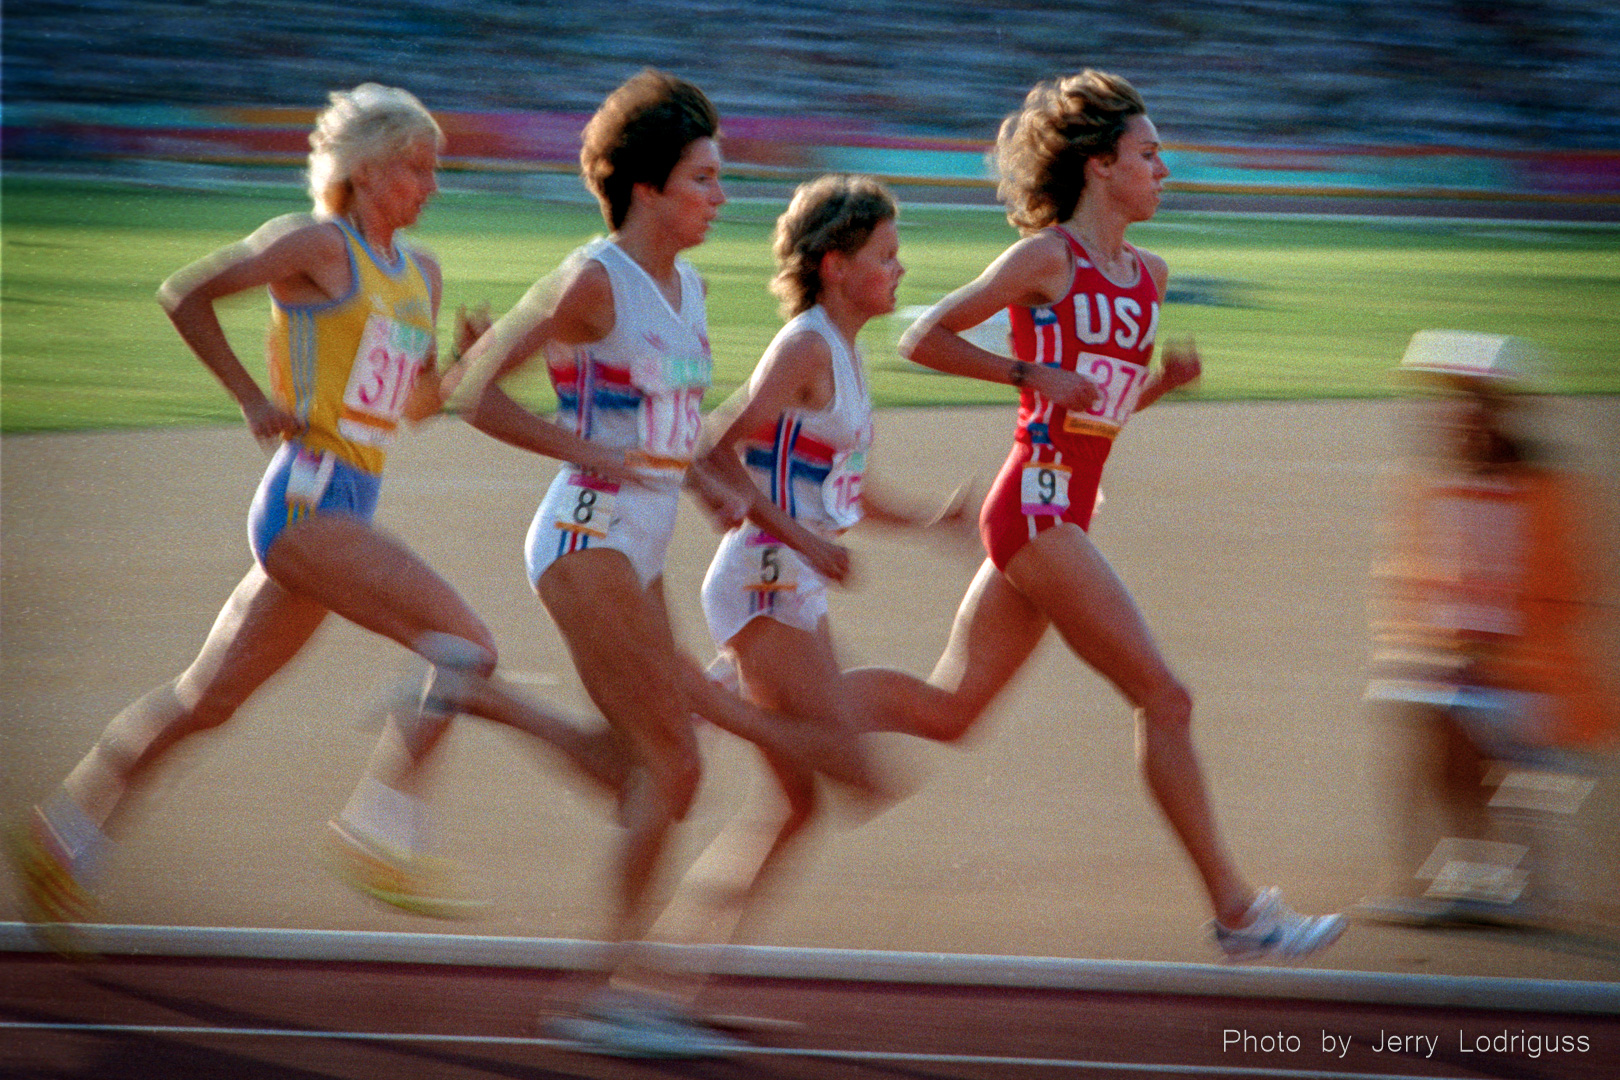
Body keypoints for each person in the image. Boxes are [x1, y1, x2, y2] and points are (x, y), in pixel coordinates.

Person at [9, 84, 626, 941]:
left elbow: (408, 409)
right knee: (466, 647)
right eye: (418, 168)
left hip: (346, 504)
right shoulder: (314, 246)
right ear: (366, 172)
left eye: (434, 169)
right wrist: (251, 399)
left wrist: (457, 366)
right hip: (305, 502)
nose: (433, 185)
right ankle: (382, 829)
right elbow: (185, 294)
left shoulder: (422, 273)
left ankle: (62, 835)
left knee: (208, 699)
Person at [845, 69, 1346, 961]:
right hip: (1033, 508)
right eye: (1150, 154)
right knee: (1166, 698)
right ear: (1100, 167)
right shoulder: (1048, 259)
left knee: (953, 711)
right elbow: (920, 336)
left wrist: (1158, 386)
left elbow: (1098, 411)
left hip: (1065, 507)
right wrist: (1025, 375)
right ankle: (1238, 912)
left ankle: (768, 691)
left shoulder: (1148, 276)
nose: (1165, 170)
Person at [436, 70, 887, 1054]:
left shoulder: (691, 289)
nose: (722, 197)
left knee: (631, 770)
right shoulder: (593, 277)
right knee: (676, 766)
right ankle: (603, 1004)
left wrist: (717, 493)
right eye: (704, 178)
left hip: (637, 547)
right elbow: (473, 389)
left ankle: (476, 694)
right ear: (646, 187)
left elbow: (674, 430)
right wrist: (586, 449)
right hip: (585, 537)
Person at [638, 174, 973, 993]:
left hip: (789, 581)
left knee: (797, 809)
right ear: (833, 264)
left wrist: (931, 521)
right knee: (857, 775)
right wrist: (801, 542)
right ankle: (714, 702)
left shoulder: (842, 354)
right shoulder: (806, 346)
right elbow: (707, 449)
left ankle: (674, 986)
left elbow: (838, 493)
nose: (900, 269)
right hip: (763, 579)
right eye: (885, 255)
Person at [1359, 331, 1617, 928]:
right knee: (1419, 701)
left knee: (1453, 716)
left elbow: (1569, 598)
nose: (1458, 420)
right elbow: (1403, 588)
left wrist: (1484, 655)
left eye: (1477, 408)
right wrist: (1427, 652)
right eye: (1453, 406)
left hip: (1539, 681)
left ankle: (1501, 880)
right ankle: (1447, 877)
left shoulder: (1551, 493)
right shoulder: (1422, 488)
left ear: (1505, 417)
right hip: (1459, 671)